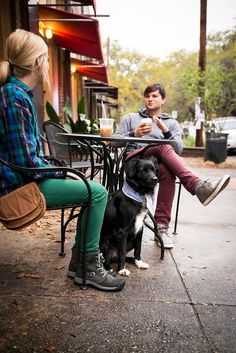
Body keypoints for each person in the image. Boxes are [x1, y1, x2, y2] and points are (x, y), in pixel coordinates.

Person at [0, 29, 125, 292]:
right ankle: (87, 267)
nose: (47, 64)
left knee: (90, 191)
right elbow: (27, 162)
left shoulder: (15, 93)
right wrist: (59, 171)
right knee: (98, 193)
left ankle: (80, 265)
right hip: (18, 188)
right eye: (46, 58)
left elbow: (27, 156)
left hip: (21, 179)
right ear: (37, 63)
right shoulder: (15, 97)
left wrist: (57, 169)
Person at [112, 82, 230, 249]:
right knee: (163, 146)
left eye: (154, 96)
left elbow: (179, 150)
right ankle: (197, 186)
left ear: (163, 100)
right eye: (147, 96)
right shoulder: (131, 118)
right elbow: (113, 143)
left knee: (167, 171)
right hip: (135, 162)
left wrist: (166, 131)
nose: (150, 99)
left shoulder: (172, 123)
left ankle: (161, 227)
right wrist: (134, 134)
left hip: (155, 166)